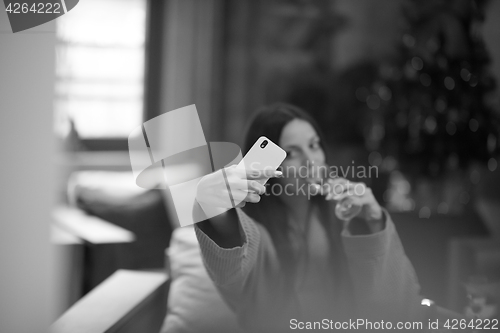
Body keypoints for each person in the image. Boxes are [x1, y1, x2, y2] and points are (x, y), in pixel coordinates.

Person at [194, 103, 427, 332]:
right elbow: (231, 263)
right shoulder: (255, 229)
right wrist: (216, 209)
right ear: (267, 166)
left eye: (314, 145)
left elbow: (401, 301)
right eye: (292, 153)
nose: (311, 160)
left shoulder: (345, 215)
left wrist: (374, 221)